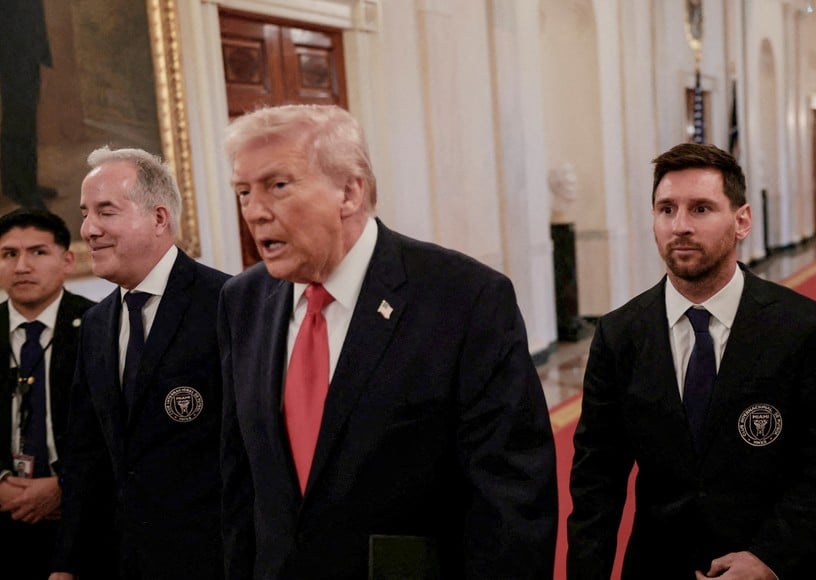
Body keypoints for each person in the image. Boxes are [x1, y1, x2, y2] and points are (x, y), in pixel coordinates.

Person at [219, 104, 558, 579]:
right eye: (243, 192)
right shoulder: (242, 302)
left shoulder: (465, 299)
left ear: (350, 191)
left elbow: (512, 499)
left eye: (278, 186)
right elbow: (239, 483)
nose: (254, 212)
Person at [567, 142, 816, 579]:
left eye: (701, 209)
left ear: (741, 220)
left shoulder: (805, 329)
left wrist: (770, 556)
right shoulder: (620, 335)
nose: (680, 226)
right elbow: (597, 478)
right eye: (666, 209)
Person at [49, 147, 230, 580]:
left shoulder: (228, 304)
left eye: (105, 211)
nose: (89, 229)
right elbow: (86, 456)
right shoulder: (94, 325)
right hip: (119, 562)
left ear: (159, 218)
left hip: (212, 560)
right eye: (85, 213)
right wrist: (67, 564)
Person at [0, 209, 96, 580]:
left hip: (82, 521)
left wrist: (64, 486)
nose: (22, 266)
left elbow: (115, 431)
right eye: (9, 254)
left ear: (66, 260)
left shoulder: (97, 326)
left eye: (38, 252)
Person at [0, 0, 57, 208]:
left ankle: (20, 183)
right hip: (13, 49)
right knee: (20, 119)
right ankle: (23, 189)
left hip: (27, 47)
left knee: (24, 117)